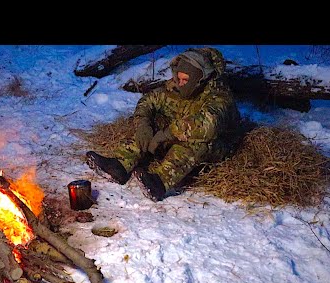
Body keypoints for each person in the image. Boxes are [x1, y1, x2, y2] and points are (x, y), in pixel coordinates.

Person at [86, 47, 241, 202]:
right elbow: (148, 101)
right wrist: (143, 125)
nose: (180, 84)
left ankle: (159, 182)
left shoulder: (219, 96)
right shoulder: (176, 85)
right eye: (178, 78)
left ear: (199, 79)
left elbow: (207, 125)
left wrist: (167, 134)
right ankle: (119, 165)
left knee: (196, 141)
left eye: (185, 80)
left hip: (217, 146)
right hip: (177, 133)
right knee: (152, 125)